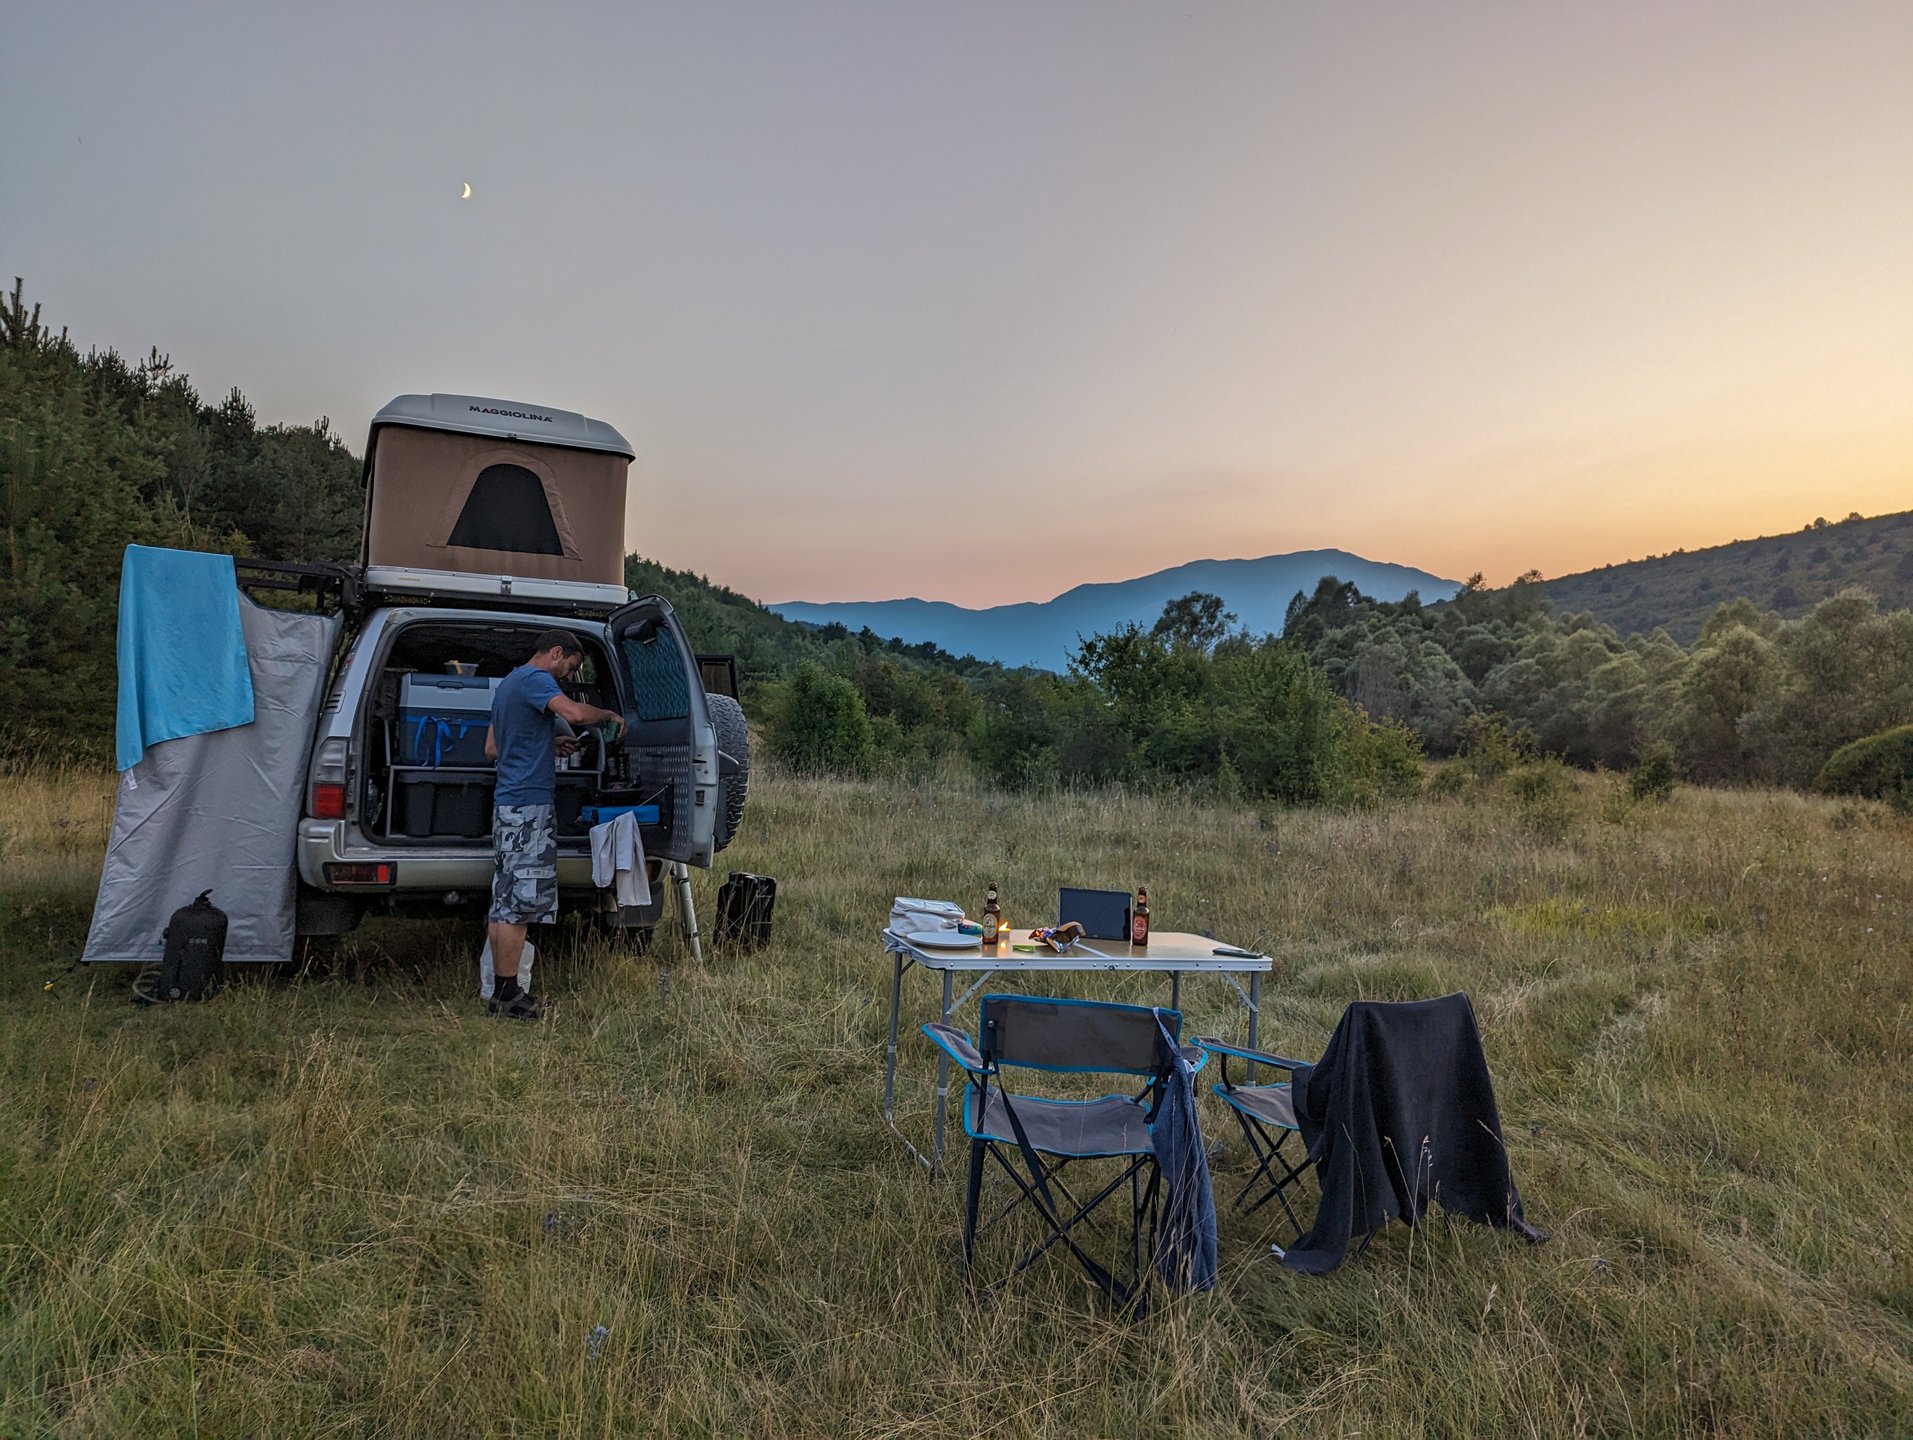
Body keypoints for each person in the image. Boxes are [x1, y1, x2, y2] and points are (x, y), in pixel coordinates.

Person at [482, 630, 623, 1019]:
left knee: (504, 902)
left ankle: (500, 993)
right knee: (520, 907)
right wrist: (608, 715)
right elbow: (575, 713)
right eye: (570, 668)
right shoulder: (536, 679)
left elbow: (492, 748)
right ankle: (510, 997)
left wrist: (547, 745)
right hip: (529, 806)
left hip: (508, 805)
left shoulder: (509, 683)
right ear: (556, 653)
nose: (567, 677)